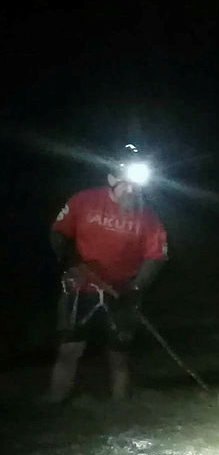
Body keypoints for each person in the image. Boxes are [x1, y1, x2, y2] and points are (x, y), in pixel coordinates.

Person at [47, 144, 168, 402]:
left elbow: (156, 256)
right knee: (69, 351)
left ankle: (120, 412)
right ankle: (54, 404)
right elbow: (58, 234)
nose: (132, 190)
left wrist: (135, 289)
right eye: (126, 184)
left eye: (137, 185)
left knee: (119, 357)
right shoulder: (84, 200)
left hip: (121, 293)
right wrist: (73, 261)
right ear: (112, 179)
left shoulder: (147, 216)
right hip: (81, 289)